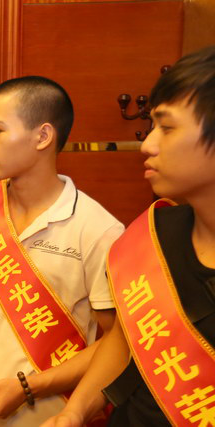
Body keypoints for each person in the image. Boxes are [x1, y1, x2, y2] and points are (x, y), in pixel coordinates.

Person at [0, 76, 124, 427]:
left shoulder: (98, 230)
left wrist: (27, 388)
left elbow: (116, 341)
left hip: (45, 415)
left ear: (43, 136)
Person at [43, 45, 215, 427]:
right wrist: (74, 412)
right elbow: (128, 337)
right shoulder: (158, 231)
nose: (147, 144)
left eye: (167, 127)